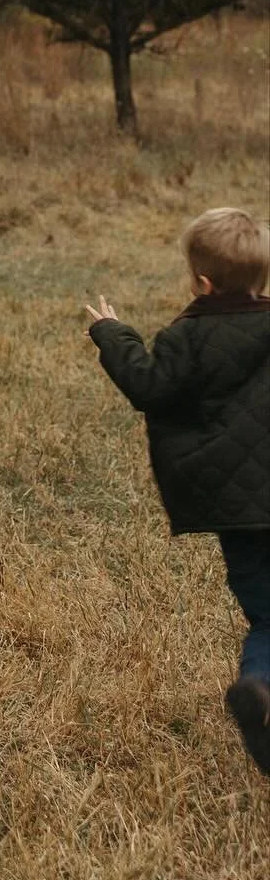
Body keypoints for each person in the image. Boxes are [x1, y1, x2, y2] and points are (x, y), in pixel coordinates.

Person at [85, 205, 270, 779]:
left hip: (240, 514)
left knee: (267, 612)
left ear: (203, 282)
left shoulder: (187, 337)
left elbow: (147, 386)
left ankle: (261, 689)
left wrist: (112, 333)